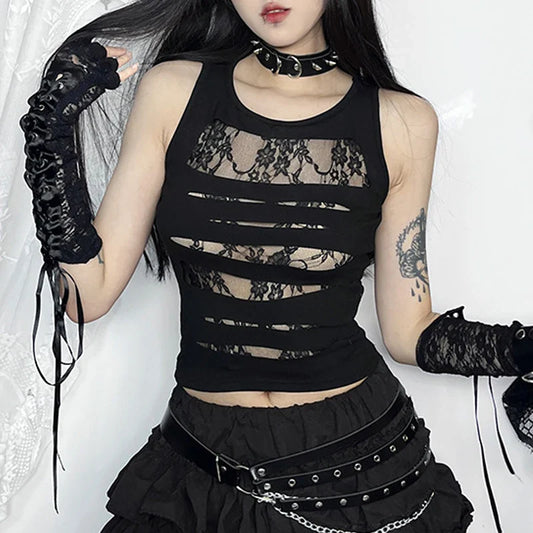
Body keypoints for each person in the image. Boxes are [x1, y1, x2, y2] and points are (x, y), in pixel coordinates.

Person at [18, 1, 532, 532]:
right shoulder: (172, 91)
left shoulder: (402, 122)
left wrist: (521, 347)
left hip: (354, 464)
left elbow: (408, 332)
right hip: (203, 461)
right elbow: (86, 297)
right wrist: (50, 135)